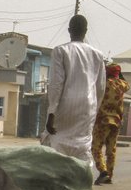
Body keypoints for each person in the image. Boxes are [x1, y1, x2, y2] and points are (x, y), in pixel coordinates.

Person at [45, 15, 106, 166]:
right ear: (86, 31)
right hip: (88, 106)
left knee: (57, 144)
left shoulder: (61, 51)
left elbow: (56, 84)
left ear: (69, 30)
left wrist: (51, 111)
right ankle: (83, 180)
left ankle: (58, 180)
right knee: (83, 146)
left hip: (65, 106)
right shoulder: (98, 55)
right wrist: (94, 110)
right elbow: (101, 87)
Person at [92, 63, 130, 185]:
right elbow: (125, 82)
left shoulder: (104, 83)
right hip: (117, 121)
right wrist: (119, 74)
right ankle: (109, 175)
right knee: (111, 150)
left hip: (103, 120)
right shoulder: (123, 85)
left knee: (96, 148)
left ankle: (103, 171)